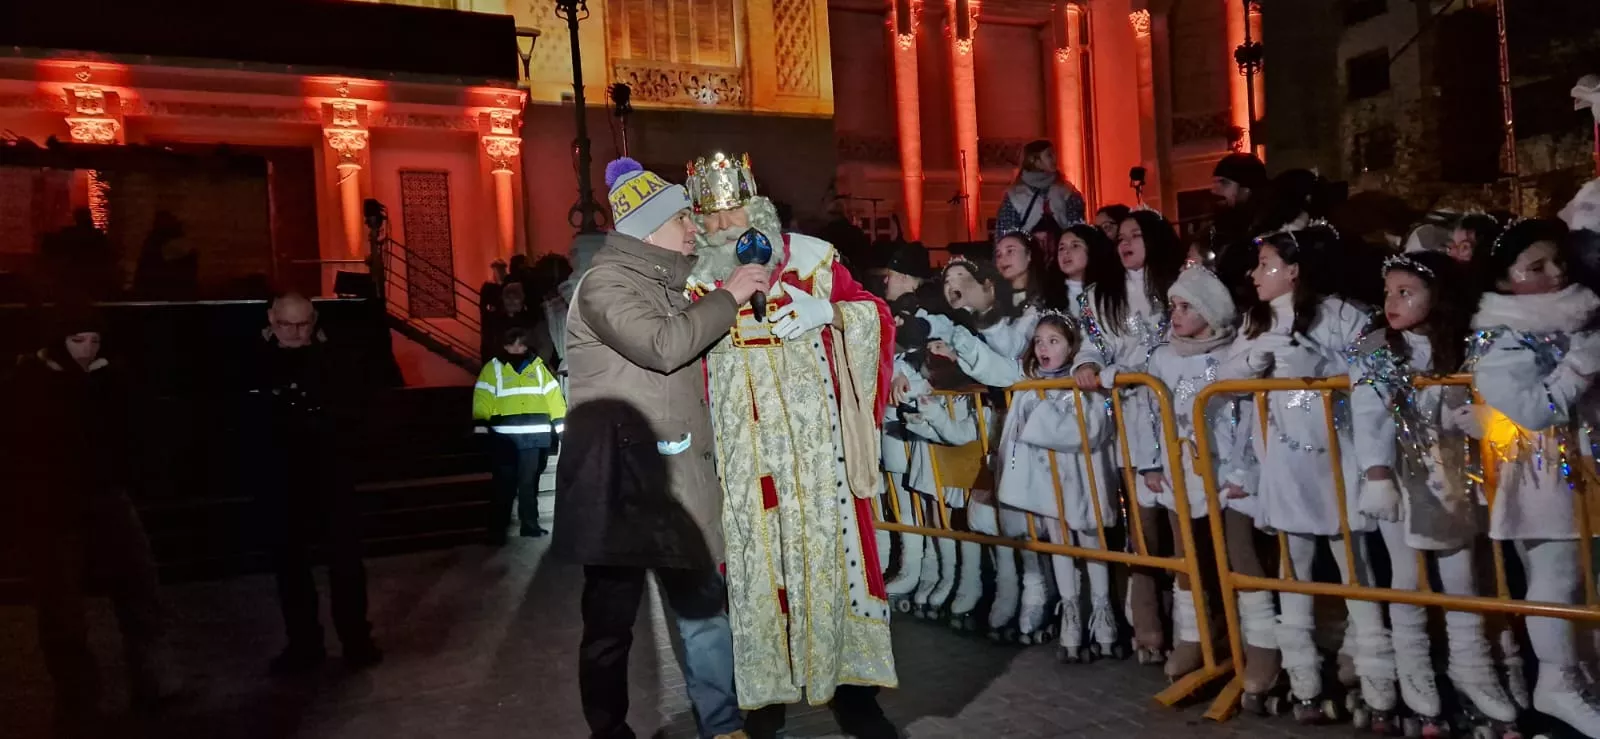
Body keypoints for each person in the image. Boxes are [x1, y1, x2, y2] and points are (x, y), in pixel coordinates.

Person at [684, 152, 900, 738]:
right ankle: (763, 698)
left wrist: (827, 312)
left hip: (816, 456)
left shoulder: (811, 259)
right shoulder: (691, 279)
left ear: (757, 210)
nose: (726, 229)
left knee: (830, 560)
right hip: (739, 458)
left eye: (735, 214)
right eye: (713, 219)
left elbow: (875, 315)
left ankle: (852, 689)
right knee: (755, 571)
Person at [551, 157, 767, 739]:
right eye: (682, 220)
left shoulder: (665, 285)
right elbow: (664, 345)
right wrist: (729, 295)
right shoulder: (605, 285)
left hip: (674, 486)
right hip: (618, 488)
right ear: (647, 230)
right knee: (610, 628)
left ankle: (722, 726)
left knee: (703, 615)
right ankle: (609, 730)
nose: (694, 229)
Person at [1347, 251, 1518, 733]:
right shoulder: (1379, 350)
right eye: (1388, 292)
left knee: (1462, 578)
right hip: (1401, 477)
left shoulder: (1469, 345)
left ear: (1437, 295)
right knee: (1406, 579)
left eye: (1406, 292)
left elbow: (1500, 391)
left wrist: (1493, 422)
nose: (1393, 302)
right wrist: (1377, 472)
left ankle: (1474, 675)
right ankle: (1414, 679)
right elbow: (1368, 411)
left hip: (1454, 476)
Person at [1221, 224, 1378, 725]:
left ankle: (1378, 677)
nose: (1255, 273)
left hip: (1338, 457)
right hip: (1284, 461)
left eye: (1266, 264)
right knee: (1294, 573)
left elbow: (1373, 371)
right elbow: (1222, 381)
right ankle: (1304, 678)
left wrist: (1323, 366)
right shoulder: (1255, 321)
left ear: (1294, 271)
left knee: (1355, 570)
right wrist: (1251, 364)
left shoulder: (1343, 316)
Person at [3, 309, 180, 735]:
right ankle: (78, 700)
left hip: (103, 495)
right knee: (63, 610)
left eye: (94, 341)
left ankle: (150, 680)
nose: (88, 350)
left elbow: (130, 431)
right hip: (55, 506)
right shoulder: (32, 383)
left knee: (140, 588)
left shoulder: (105, 380)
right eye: (79, 340)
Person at [1467, 218, 1600, 738]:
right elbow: (1532, 407)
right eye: (1536, 267)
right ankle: (1557, 683)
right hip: (1539, 470)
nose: (1555, 273)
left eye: (1557, 262)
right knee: (1556, 576)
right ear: (1505, 279)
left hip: (1585, 466)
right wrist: (1579, 370)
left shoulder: (1582, 319)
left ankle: (1584, 676)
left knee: (1588, 577)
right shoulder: (1502, 334)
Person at [1122, 266, 1268, 688]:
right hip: (1179, 471)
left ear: (1211, 310)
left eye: (1187, 306)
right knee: (1187, 557)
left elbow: (1246, 421)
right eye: (1173, 306)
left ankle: (1260, 642)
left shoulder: (1232, 356)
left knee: (1241, 555)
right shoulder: (1163, 357)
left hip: (1229, 474)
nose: (1177, 314)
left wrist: (1244, 471)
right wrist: (1151, 463)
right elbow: (1149, 413)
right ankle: (1193, 636)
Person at [242, 293, 380, 674]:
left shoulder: (336, 358)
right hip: (282, 478)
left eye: (302, 324)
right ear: (271, 319)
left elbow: (358, 410)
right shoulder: (254, 360)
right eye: (285, 325)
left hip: (330, 473)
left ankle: (355, 638)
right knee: (290, 566)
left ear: (314, 319)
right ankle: (304, 643)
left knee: (346, 564)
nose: (294, 333)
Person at [995, 311, 1118, 660]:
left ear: (1071, 345)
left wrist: (1044, 419)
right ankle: (1071, 613)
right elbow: (1016, 435)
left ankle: (1102, 611)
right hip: (1049, 484)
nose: (1044, 348)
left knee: (1092, 541)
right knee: (1061, 544)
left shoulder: (1083, 383)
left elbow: (1089, 429)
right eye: (1039, 341)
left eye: (1054, 341)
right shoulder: (1031, 386)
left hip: (1084, 480)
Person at [473, 324, 565, 543]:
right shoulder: (493, 368)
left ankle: (529, 525)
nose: (516, 348)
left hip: (534, 438)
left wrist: (561, 429)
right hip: (505, 438)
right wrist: (481, 425)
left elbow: (554, 398)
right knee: (503, 484)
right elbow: (483, 397)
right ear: (504, 345)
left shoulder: (539, 368)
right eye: (512, 345)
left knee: (528, 483)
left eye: (521, 344)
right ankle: (496, 531)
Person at [993, 140, 1086, 238]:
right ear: (1035, 161)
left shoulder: (1067, 191)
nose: (1055, 159)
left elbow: (1078, 231)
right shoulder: (1014, 196)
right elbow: (1006, 237)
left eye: (1054, 154)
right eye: (1049, 155)